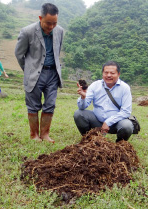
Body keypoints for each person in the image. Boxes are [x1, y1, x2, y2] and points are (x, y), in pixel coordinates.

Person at [15, 3, 64, 143]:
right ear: (40, 18)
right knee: (33, 105)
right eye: (48, 23)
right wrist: (28, 70)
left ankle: (45, 134)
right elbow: (19, 54)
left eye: (54, 23)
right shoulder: (27, 32)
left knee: (50, 104)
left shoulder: (59, 31)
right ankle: (34, 135)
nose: (51, 27)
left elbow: (56, 51)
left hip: (53, 73)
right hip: (34, 74)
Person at [74, 61, 134, 142]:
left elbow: (126, 112)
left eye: (112, 73)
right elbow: (82, 107)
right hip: (97, 121)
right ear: (102, 73)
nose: (109, 75)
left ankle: (120, 145)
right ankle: (89, 139)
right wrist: (83, 97)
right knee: (79, 114)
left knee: (127, 125)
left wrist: (108, 122)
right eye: (106, 73)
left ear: (118, 74)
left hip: (116, 123)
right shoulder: (95, 85)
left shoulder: (125, 88)